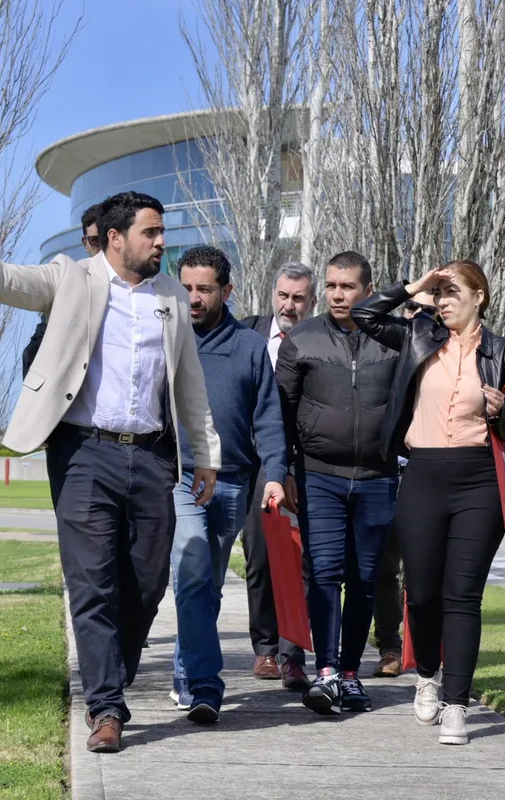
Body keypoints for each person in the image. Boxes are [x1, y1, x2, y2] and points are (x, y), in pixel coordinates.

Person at [0, 182, 220, 754]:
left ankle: (113, 672)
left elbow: (189, 384)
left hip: (154, 455)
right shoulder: (70, 277)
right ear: (114, 238)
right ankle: (106, 708)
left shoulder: (171, 298)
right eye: (150, 233)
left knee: (147, 582)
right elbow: (1, 280)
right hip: (84, 454)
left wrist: (203, 454)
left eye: (162, 232)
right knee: (92, 585)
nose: (162, 242)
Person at [351, 260, 505, 746]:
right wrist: (418, 286)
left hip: (479, 482)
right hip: (423, 475)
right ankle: (426, 674)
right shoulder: (418, 336)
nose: (443, 301)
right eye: (440, 293)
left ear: (480, 297)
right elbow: (365, 315)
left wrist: (500, 412)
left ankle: (456, 705)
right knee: (422, 593)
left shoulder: (504, 353)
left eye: (452, 293)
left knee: (463, 596)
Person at [275, 251, 400, 715]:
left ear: (369, 290)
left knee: (365, 579)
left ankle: (349, 674)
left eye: (347, 286)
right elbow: (280, 413)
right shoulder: (301, 340)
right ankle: (325, 671)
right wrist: (281, 468)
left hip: (377, 478)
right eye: (330, 285)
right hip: (318, 477)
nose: (337, 294)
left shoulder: (395, 340)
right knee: (324, 574)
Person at [169, 246, 289, 723]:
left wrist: (275, 474)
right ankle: (205, 684)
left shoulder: (249, 348)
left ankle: (184, 670)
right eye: (185, 288)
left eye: (203, 289)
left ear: (226, 291)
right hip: (181, 478)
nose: (192, 298)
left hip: (234, 484)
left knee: (208, 586)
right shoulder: (169, 340)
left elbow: (269, 422)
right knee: (193, 567)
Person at [238, 262, 317, 690]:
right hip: (254, 464)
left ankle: (293, 656)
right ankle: (265, 650)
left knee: (301, 559)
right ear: (273, 294)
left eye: (298, 298)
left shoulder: (319, 340)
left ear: (312, 302)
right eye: (283, 296)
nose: (289, 305)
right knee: (261, 558)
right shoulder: (245, 334)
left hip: (303, 465)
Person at [371, 289, 437, 679]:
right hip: (384, 471)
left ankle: (424, 648)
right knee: (383, 566)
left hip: (423, 471)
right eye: (414, 309)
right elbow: (367, 314)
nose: (420, 318)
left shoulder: (445, 352)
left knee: (422, 570)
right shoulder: (389, 341)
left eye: (429, 311)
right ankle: (390, 645)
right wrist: (408, 288)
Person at [21, 203, 103, 378]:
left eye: (107, 239)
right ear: (86, 244)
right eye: (95, 240)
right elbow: (32, 355)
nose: (102, 248)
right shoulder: (69, 286)